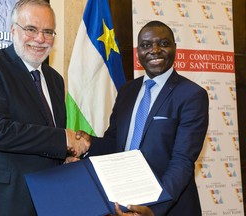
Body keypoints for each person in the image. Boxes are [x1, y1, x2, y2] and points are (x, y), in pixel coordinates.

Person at [0, 0, 89, 215]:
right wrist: (63, 139)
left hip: (44, 199)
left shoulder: (55, 80)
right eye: (31, 29)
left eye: (48, 32)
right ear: (13, 30)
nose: (40, 39)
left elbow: (43, 136)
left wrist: (62, 155)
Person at [75, 20, 209, 215]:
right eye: (146, 45)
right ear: (138, 53)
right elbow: (115, 143)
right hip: (123, 201)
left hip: (168, 207)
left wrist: (153, 208)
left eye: (163, 43)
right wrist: (89, 144)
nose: (154, 50)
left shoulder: (191, 95)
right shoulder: (127, 91)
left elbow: (182, 161)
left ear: (175, 48)